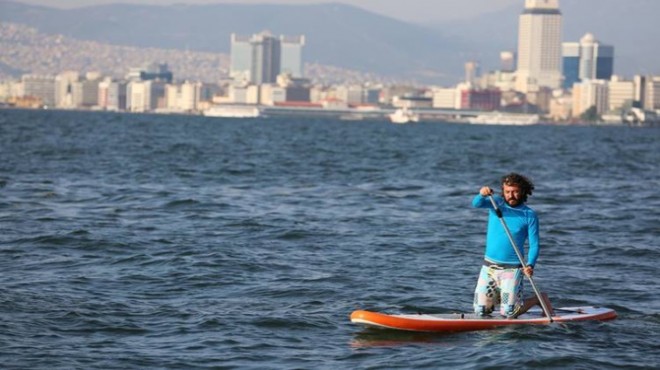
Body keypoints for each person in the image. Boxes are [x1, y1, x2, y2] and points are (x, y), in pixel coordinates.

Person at [472, 172, 554, 318]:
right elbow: (476, 203)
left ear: (522, 191)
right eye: (508, 191)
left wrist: (530, 265)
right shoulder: (496, 203)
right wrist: (482, 194)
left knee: (509, 313)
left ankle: (538, 299)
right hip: (489, 266)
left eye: (515, 192)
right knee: (480, 311)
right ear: (503, 191)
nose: (511, 195)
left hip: (512, 269)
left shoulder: (529, 215)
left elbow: (534, 244)